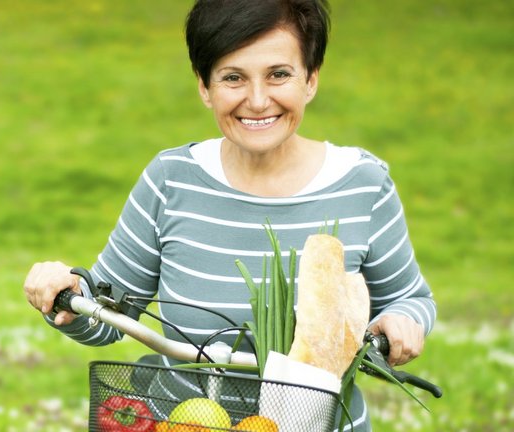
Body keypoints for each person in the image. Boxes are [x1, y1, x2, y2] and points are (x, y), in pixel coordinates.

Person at [23, 0, 436, 430]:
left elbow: (412, 299)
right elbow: (109, 317)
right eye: (233, 77)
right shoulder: (171, 180)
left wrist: (403, 321)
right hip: (183, 425)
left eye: (279, 74)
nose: (258, 101)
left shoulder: (361, 184)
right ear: (204, 86)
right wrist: (65, 295)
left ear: (311, 79)